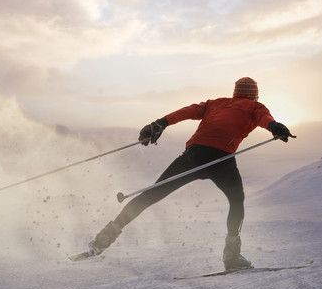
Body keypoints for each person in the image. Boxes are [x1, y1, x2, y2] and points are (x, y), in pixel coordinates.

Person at [85, 77, 292, 269]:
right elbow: (265, 118)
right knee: (236, 201)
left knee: (150, 195)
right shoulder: (256, 106)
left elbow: (188, 111)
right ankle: (232, 257)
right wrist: (275, 126)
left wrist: (160, 123)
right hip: (222, 161)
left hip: (193, 156)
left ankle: (105, 237)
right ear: (255, 95)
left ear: (235, 92)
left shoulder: (215, 103)